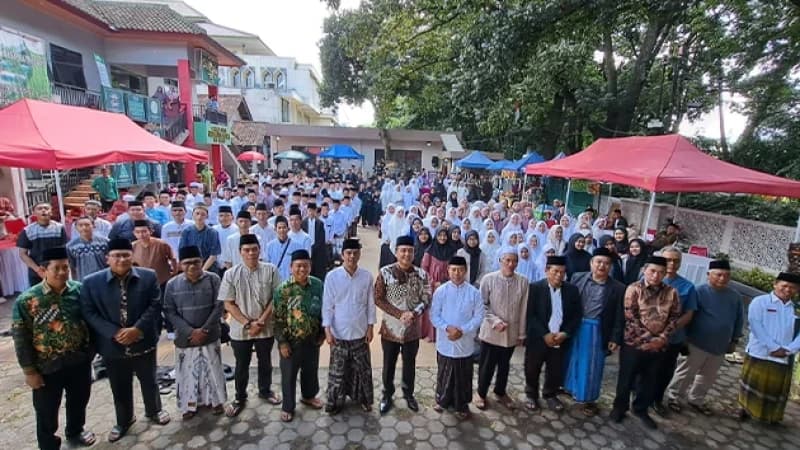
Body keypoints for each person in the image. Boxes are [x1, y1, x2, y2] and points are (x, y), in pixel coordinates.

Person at [79, 238, 170, 442]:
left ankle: (154, 410)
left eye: (126, 255)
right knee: (119, 385)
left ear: (132, 257)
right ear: (107, 259)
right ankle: (124, 420)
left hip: (142, 339)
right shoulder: (91, 282)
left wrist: (137, 329)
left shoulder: (148, 277)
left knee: (149, 379)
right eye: (116, 255)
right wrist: (113, 332)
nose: (121, 259)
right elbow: (88, 311)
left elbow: (155, 305)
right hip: (112, 344)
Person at [12, 247, 95, 450]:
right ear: (43, 270)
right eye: (56, 268)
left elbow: (91, 322)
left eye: (65, 267)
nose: (62, 272)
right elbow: (21, 338)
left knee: (79, 400)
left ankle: (75, 432)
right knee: (46, 409)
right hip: (47, 366)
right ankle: (48, 444)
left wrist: (90, 353)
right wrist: (29, 371)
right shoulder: (28, 300)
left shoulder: (79, 291)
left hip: (78, 360)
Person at [610, 256, 680, 430]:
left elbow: (674, 318)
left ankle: (641, 409)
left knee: (650, 379)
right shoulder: (634, 289)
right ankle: (619, 408)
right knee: (626, 378)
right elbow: (631, 317)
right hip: (634, 344)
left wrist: (662, 338)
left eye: (661, 272)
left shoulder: (672, 292)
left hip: (659, 346)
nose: (656, 276)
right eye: (652, 271)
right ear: (644, 270)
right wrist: (651, 339)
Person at [666, 260, 743, 415]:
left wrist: (734, 340)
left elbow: (739, 319)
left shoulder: (734, 296)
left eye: (726, 275)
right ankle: (674, 397)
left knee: (707, 377)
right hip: (694, 342)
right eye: (719, 275)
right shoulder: (698, 291)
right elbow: (687, 314)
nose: (722, 278)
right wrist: (684, 339)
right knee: (685, 372)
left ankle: (696, 399)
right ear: (709, 275)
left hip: (719, 345)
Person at [219, 234, 282, 417]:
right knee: (241, 364)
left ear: (259, 250)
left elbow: (276, 297)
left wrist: (261, 321)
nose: (251, 253)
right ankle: (240, 397)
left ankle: (265, 390)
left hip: (265, 327)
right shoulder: (231, 274)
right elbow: (228, 303)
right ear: (240, 252)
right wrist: (248, 323)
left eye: (254, 249)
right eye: (246, 250)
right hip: (241, 329)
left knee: (265, 361)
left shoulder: (271, 270)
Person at [163, 246, 226, 420]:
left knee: (212, 369)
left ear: (201, 261)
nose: (192, 266)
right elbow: (169, 311)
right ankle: (189, 406)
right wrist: (190, 331)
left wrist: (204, 329)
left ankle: (216, 402)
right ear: (181, 264)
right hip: (186, 338)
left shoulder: (213, 279)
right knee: (187, 373)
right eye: (187, 263)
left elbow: (219, 305)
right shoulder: (172, 284)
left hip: (210, 334)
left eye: (196, 262)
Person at [564, 247, 626, 416]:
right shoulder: (577, 278)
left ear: (611, 266)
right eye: (598, 262)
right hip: (575, 326)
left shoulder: (618, 288)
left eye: (606, 263)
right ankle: (569, 388)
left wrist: (615, 337)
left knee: (592, 366)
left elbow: (620, 315)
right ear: (591, 263)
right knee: (571, 360)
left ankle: (589, 399)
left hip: (597, 330)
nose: (602, 266)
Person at [375, 236, 432, 415]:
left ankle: (408, 394)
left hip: (412, 331)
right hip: (390, 329)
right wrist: (400, 314)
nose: (406, 254)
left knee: (409, 364)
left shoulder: (421, 274)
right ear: (396, 252)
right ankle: (387, 395)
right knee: (388, 363)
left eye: (410, 251)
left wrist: (414, 313)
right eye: (403, 250)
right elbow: (378, 298)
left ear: (414, 253)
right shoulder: (385, 272)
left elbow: (427, 298)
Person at [737, 271, 800, 424]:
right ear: (775, 284)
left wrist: (790, 349)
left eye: (793, 287)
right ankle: (745, 409)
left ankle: (771, 417)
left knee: (775, 388)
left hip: (784, 356)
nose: (788, 290)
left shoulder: (797, 308)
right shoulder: (760, 302)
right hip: (760, 352)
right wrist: (773, 347)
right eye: (784, 285)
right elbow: (756, 325)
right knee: (752, 384)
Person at [322, 239, 376, 415]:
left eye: (355, 253)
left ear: (359, 254)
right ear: (342, 255)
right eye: (348, 253)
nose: (352, 256)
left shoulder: (366, 276)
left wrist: (370, 327)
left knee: (363, 370)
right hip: (339, 333)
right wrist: (327, 330)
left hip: (360, 332)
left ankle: (364, 399)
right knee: (338, 372)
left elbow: (370, 304)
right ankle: (334, 402)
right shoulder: (332, 277)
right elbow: (327, 306)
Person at [524, 256, 582, 412]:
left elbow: (577, 315)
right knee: (532, 367)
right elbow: (530, 315)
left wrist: (565, 333)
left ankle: (550, 394)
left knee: (555, 368)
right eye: (555, 271)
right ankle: (531, 394)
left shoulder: (572, 290)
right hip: (539, 338)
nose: (559, 275)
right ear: (546, 271)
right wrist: (545, 334)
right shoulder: (535, 288)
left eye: (562, 272)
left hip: (560, 339)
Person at [430, 255, 484, 420]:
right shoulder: (441, 291)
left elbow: (479, 316)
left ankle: (462, 405)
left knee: (463, 375)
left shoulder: (474, 292)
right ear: (448, 270)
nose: (457, 273)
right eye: (453, 269)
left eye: (460, 270)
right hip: (445, 340)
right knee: (444, 372)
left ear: (466, 271)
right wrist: (448, 328)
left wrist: (463, 330)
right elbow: (434, 315)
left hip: (465, 342)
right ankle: (442, 400)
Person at [273, 249, 325, 422]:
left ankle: (309, 396)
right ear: (291, 268)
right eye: (298, 266)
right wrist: (282, 342)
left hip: (312, 339)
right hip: (291, 341)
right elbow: (278, 319)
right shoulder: (283, 290)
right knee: (289, 375)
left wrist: (323, 333)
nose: (302, 269)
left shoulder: (318, 285)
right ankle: (288, 406)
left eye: (306, 265)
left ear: (310, 267)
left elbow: (324, 310)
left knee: (311, 370)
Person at [475, 246, 529, 411]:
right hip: (491, 331)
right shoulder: (488, 279)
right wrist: (494, 321)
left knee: (504, 365)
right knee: (487, 365)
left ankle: (500, 391)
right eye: (507, 260)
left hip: (511, 332)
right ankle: (481, 393)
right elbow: (481, 306)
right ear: (500, 261)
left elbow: (524, 309)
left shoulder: (523, 281)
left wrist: (521, 334)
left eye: (514, 261)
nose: (511, 264)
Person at [650, 247, 698, 416]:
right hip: (648, 336)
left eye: (676, 260)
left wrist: (669, 329)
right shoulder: (648, 279)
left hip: (672, 339)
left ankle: (657, 400)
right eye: (668, 260)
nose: (672, 264)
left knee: (664, 372)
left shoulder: (687, 287)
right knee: (645, 369)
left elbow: (689, 314)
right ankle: (640, 398)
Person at [18, 202, 68, 286]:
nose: (43, 210)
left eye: (46, 208)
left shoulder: (59, 228)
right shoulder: (28, 230)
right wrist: (38, 270)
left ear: (51, 212)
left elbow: (64, 249)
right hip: (37, 272)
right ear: (34, 213)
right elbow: (23, 254)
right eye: (40, 209)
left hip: (57, 271)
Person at [179, 205, 221, 273]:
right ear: (192, 215)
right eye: (197, 213)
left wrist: (202, 270)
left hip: (209, 268)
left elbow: (213, 255)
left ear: (207, 216)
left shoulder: (212, 232)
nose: (199, 217)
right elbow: (182, 251)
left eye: (203, 214)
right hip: (191, 267)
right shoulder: (186, 232)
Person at [66, 216, 109, 281]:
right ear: (76, 228)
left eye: (87, 225)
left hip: (104, 279)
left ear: (93, 226)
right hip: (83, 281)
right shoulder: (70, 246)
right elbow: (73, 267)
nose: (84, 228)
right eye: (80, 225)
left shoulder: (105, 242)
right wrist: (75, 282)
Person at [265, 216, 304, 282]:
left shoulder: (297, 246)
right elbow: (267, 266)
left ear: (288, 229)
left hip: (291, 282)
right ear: (275, 229)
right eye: (279, 228)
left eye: (284, 227)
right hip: (275, 282)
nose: (282, 230)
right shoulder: (269, 246)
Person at [302, 203, 328, 280]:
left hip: (318, 251)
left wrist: (314, 247)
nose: (311, 212)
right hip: (307, 249)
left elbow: (321, 239)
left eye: (313, 211)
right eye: (309, 211)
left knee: (318, 270)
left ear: (315, 211)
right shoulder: (303, 222)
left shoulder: (320, 223)